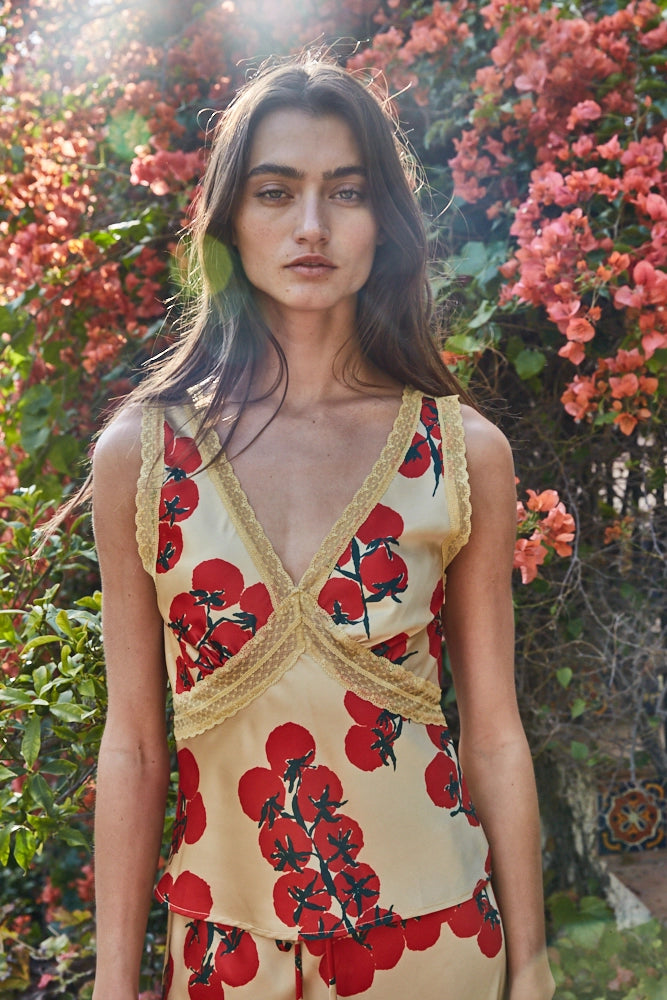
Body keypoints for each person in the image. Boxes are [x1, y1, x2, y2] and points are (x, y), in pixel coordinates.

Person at [90, 56, 555, 1000]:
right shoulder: (141, 457)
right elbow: (133, 745)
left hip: (434, 947)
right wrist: (110, 981)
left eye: (346, 191)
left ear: (382, 220)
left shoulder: (460, 452)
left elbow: (494, 733)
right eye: (276, 192)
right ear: (229, 221)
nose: (312, 225)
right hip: (222, 959)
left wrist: (534, 966)